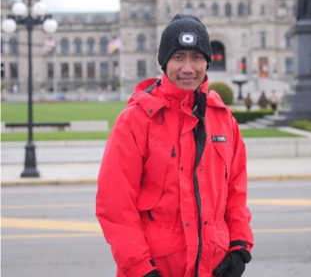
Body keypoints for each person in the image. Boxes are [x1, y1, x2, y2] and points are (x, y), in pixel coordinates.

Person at [96, 14, 254, 277]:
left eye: (196, 57)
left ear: (207, 61)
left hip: (214, 267)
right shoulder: (135, 121)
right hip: (155, 268)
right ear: (164, 61)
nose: (188, 68)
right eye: (178, 57)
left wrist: (239, 245)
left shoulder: (224, 119)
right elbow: (114, 204)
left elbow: (236, 192)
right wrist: (140, 268)